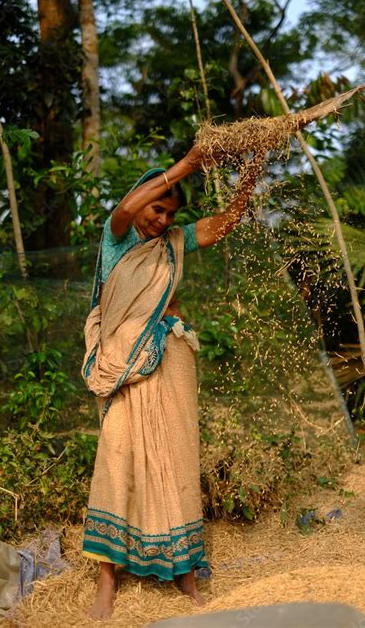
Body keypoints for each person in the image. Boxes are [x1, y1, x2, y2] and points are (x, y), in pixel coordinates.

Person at [81, 144, 264, 620]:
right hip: (126, 363)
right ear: (141, 201)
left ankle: (184, 573)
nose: (161, 219)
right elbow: (123, 209)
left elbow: (223, 224)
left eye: (169, 212)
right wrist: (189, 161)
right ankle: (107, 577)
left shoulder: (174, 243)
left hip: (173, 355)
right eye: (156, 208)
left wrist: (251, 174)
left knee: (177, 455)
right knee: (117, 456)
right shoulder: (117, 237)